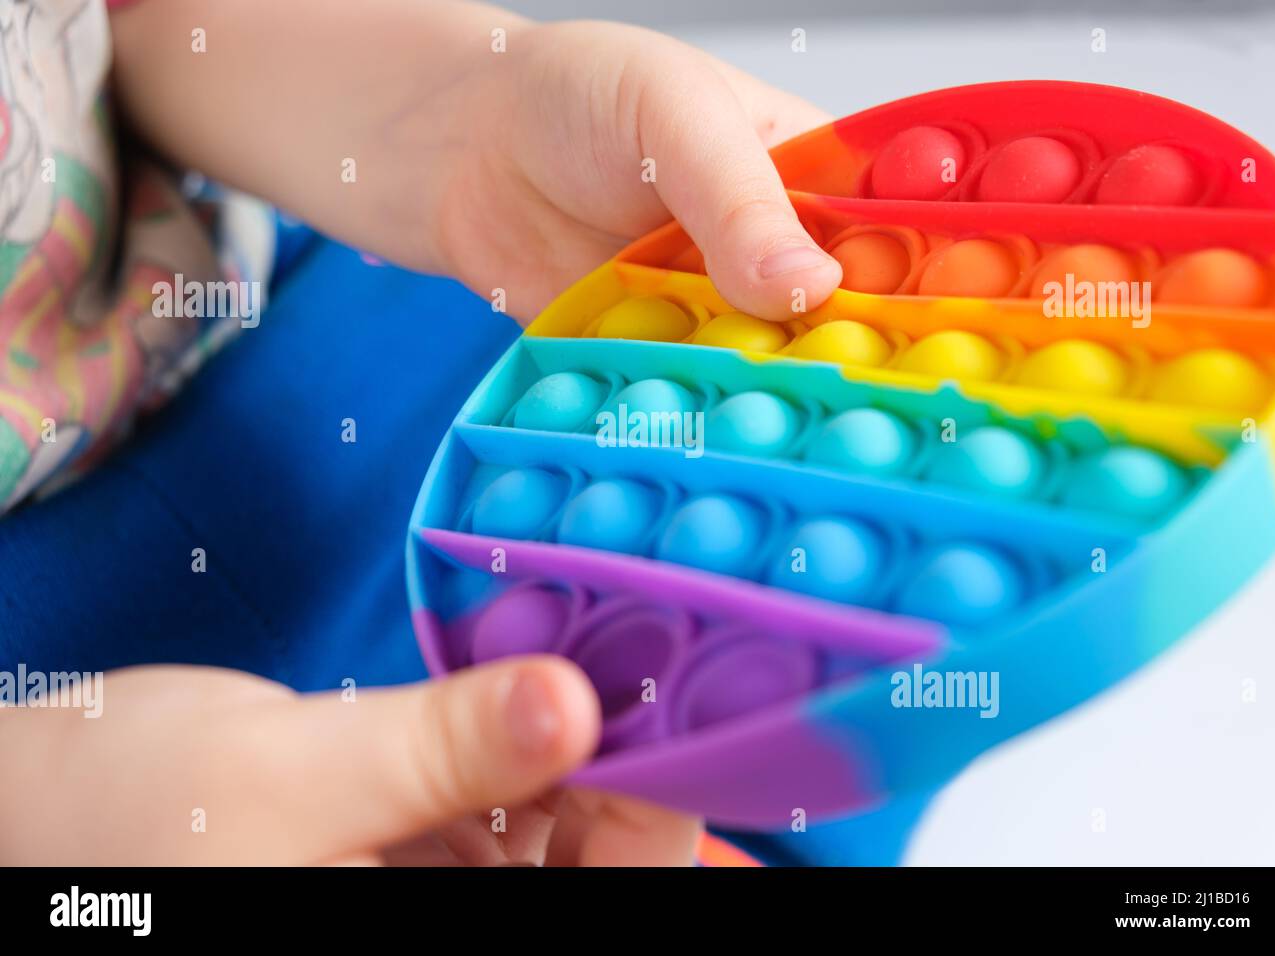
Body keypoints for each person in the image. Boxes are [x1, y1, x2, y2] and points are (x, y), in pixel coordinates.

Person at [0, 0, 841, 865]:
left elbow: (135, 25)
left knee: (793, 655)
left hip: (299, 273)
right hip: (83, 704)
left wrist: (465, 114)